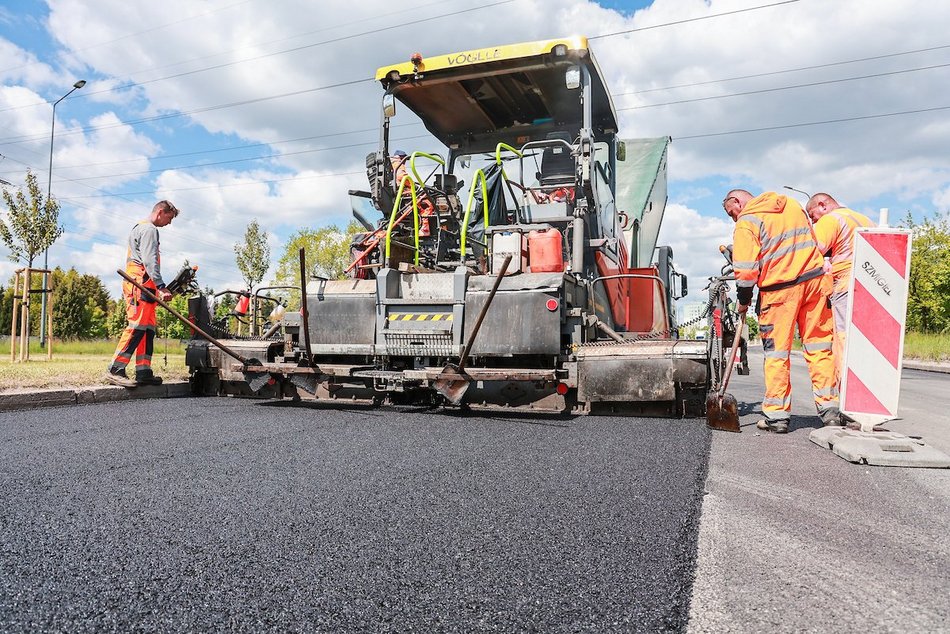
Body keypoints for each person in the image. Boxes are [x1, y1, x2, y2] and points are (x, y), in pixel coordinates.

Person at [722, 189, 839, 432]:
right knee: (820, 348)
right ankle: (830, 410)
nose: (734, 218)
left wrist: (743, 300)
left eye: (731, 213)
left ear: (737, 201)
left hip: (780, 291)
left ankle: (777, 417)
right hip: (815, 283)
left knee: (777, 354)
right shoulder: (791, 205)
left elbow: (745, 272)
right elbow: (805, 242)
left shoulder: (747, 221)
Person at [104, 200, 179, 388]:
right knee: (137, 326)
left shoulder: (140, 228)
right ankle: (115, 369)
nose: (169, 224)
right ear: (161, 212)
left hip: (146, 286)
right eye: (169, 218)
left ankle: (143, 371)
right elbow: (149, 260)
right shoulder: (149, 230)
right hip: (139, 285)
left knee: (147, 329)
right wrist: (161, 286)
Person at [805, 193, 876, 380]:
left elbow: (813, 252)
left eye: (813, 216)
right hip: (874, 284)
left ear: (822, 205)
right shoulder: (864, 219)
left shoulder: (829, 220)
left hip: (846, 283)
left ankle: (846, 389)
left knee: (844, 336)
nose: (814, 222)